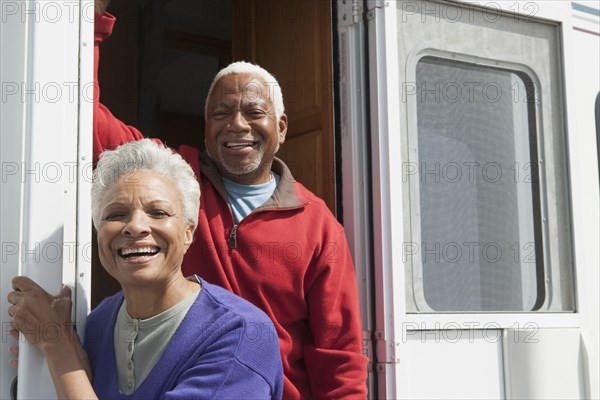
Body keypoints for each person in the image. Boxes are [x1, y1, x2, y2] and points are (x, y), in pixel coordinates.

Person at [94, 2, 369, 398]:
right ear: (206, 127)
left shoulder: (319, 225)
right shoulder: (170, 177)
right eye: (221, 113)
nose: (237, 124)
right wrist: (94, 18)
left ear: (282, 127)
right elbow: (86, 122)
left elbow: (339, 358)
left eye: (253, 112)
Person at [7, 139, 283, 399]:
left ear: (189, 232)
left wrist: (58, 350)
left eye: (158, 212)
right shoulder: (96, 324)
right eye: (116, 215)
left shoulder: (241, 334)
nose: (135, 226)